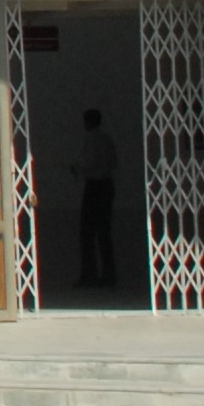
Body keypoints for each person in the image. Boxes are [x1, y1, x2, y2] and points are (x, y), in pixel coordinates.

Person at [72, 107, 120, 292]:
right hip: (107, 186)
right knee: (104, 234)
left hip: (95, 187)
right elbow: (114, 162)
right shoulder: (106, 139)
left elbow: (90, 162)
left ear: (88, 122)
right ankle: (108, 275)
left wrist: (77, 168)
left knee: (87, 233)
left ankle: (89, 275)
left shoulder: (91, 139)